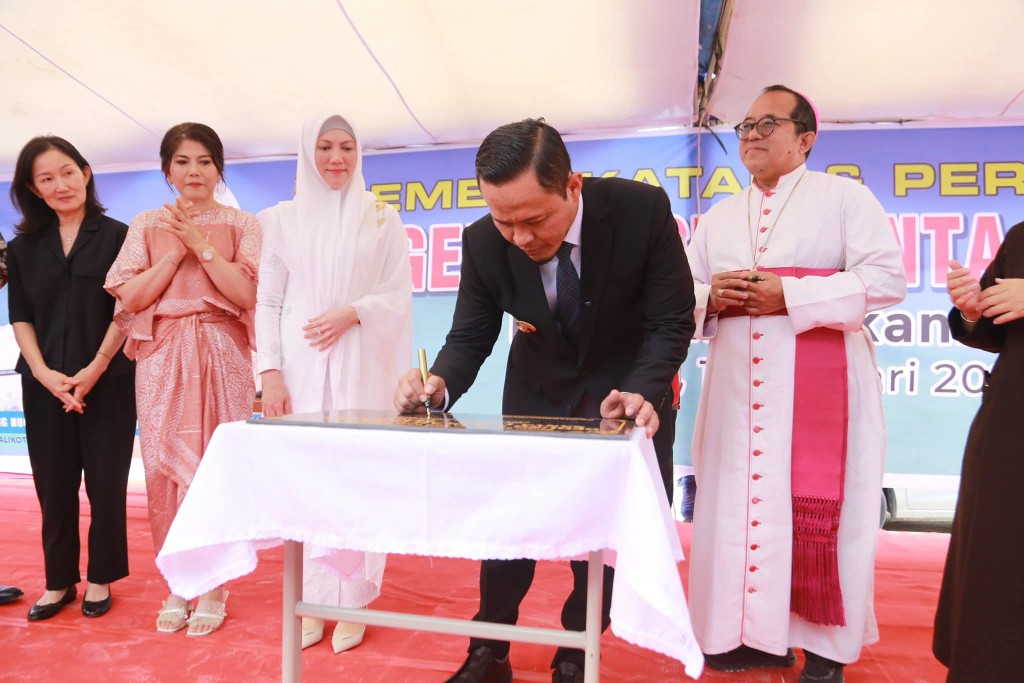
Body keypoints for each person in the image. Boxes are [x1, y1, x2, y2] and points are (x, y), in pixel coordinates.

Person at [394, 118, 695, 683]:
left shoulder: (641, 212)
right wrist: (437, 384)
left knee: (604, 544)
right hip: (536, 396)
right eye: (505, 221)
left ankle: (577, 651)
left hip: (627, 399)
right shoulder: (484, 241)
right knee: (509, 533)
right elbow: (470, 336)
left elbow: (671, 321)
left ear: (572, 186)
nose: (520, 238)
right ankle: (489, 650)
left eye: (534, 220)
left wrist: (640, 390)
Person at [685, 85, 907, 683]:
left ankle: (826, 650)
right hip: (736, 396)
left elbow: (887, 280)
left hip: (821, 395)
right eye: (745, 126)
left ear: (806, 139)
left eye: (768, 124)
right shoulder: (719, 217)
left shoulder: (845, 198)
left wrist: (791, 294)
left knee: (828, 516)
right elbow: (680, 295)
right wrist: (712, 297)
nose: (751, 135)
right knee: (736, 511)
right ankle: (750, 637)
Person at [255, 112, 413, 653]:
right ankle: (311, 601)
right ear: (308, 152)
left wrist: (353, 311)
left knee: (355, 477)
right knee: (307, 481)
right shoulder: (280, 220)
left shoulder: (381, 218)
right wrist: (270, 372)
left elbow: (397, 293)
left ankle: (353, 602)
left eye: (346, 146)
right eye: (324, 146)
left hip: (362, 364)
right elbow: (268, 300)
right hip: (300, 370)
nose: (336, 158)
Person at [105, 123, 261, 637]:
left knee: (219, 466)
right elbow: (130, 297)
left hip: (222, 350)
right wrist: (174, 252)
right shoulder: (146, 223)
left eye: (204, 161)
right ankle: (178, 581)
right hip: (161, 353)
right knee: (162, 470)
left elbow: (246, 295)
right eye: (182, 161)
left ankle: (214, 585)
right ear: (167, 170)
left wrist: (202, 245)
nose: (194, 171)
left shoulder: (243, 223)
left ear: (219, 168)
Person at [7, 136, 136, 621]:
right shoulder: (22, 248)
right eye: (46, 178)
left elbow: (127, 308)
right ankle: (58, 581)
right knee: (53, 485)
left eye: (67, 172)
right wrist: (43, 373)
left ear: (85, 172)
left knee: (107, 484)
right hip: (44, 385)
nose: (60, 184)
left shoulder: (120, 236)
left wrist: (93, 369)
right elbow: (21, 315)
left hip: (108, 378)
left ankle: (101, 576)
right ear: (33, 189)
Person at [934, 239, 1024, 682]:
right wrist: (973, 309)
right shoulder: (1022, 235)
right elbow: (997, 331)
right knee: (999, 559)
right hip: (1011, 421)